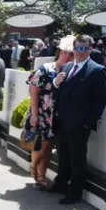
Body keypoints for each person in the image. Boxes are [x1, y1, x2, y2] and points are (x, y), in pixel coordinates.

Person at [51, 35, 106, 204]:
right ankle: (60, 184)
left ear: (90, 49)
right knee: (63, 155)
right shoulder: (67, 66)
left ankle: (74, 193)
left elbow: (101, 101)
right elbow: (59, 93)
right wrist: (56, 82)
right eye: (77, 48)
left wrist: (87, 123)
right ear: (73, 49)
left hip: (79, 125)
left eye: (84, 48)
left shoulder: (97, 70)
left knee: (77, 160)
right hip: (62, 121)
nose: (80, 51)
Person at [23, 35, 74, 187]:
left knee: (49, 146)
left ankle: (41, 174)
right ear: (61, 52)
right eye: (68, 53)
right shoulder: (45, 69)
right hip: (41, 113)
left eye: (72, 54)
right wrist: (34, 115)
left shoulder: (69, 72)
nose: (70, 57)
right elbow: (33, 92)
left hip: (56, 115)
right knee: (40, 145)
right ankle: (36, 170)